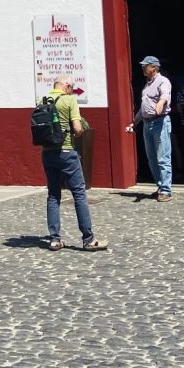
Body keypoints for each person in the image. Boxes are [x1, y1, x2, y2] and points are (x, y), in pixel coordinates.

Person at [40, 76, 108, 251]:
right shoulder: (69, 100)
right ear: (67, 86)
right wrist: (78, 134)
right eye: (72, 87)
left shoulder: (42, 100)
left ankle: (55, 239)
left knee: (53, 195)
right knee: (79, 193)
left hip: (47, 153)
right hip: (67, 152)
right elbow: (77, 128)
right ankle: (88, 239)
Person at [133, 55, 173, 200]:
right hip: (147, 123)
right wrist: (135, 121)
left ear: (154, 68)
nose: (143, 68)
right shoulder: (148, 84)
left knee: (163, 157)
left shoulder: (163, 81)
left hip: (160, 122)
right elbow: (144, 107)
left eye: (146, 66)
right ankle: (160, 185)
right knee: (152, 158)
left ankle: (166, 190)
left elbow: (165, 95)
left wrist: (160, 104)